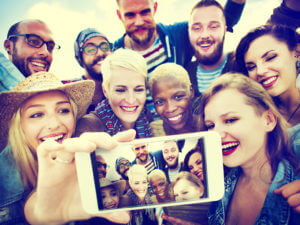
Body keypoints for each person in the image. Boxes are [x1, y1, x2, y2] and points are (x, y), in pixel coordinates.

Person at [114, 0, 245, 119]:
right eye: (130, 15)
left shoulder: (178, 35)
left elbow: (222, 19)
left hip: (185, 127)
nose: (139, 22)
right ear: (119, 16)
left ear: (154, 8)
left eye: (145, 12)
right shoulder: (114, 56)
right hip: (146, 135)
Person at [197, 72, 299, 224]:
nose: (216, 135)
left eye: (231, 120)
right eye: (210, 126)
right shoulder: (221, 183)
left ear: (268, 120)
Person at [0, 71, 94, 224]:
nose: (55, 124)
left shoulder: (85, 160)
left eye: (63, 110)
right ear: (18, 125)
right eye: (37, 114)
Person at [75, 48, 153, 138]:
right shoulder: (88, 127)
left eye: (138, 90)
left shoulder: (146, 116)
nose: (131, 100)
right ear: (105, 91)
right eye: (120, 90)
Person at [235, 24, 300, 127]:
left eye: (270, 58)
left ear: (297, 53)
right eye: (251, 67)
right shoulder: (255, 116)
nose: (260, 71)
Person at [187, 0, 239, 97]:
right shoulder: (185, 77)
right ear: (189, 32)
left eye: (213, 26)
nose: (205, 35)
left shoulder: (241, 64)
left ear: (225, 30)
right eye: (197, 28)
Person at [63, 28, 112, 113]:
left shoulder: (124, 90)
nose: (100, 53)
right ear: (80, 57)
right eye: (90, 49)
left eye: (105, 47)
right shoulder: (67, 91)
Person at [149, 63, 197, 136]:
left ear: (191, 91)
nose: (170, 109)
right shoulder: (152, 133)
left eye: (178, 97)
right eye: (160, 102)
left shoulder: (208, 125)